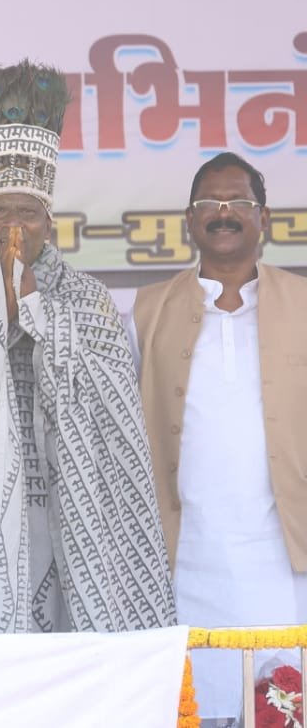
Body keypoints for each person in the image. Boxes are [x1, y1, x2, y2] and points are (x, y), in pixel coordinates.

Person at [0, 61, 176, 636]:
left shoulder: (89, 300)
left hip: (79, 520)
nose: (12, 225)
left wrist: (39, 315)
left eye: (27, 212)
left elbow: (117, 411)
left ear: (50, 221)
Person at [132, 152, 307, 719]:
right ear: (190, 218)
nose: (224, 212)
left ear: (264, 218)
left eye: (239, 202)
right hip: (185, 557)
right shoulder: (147, 310)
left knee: (282, 705)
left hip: (284, 557)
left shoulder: (303, 304)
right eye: (209, 202)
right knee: (191, 704)